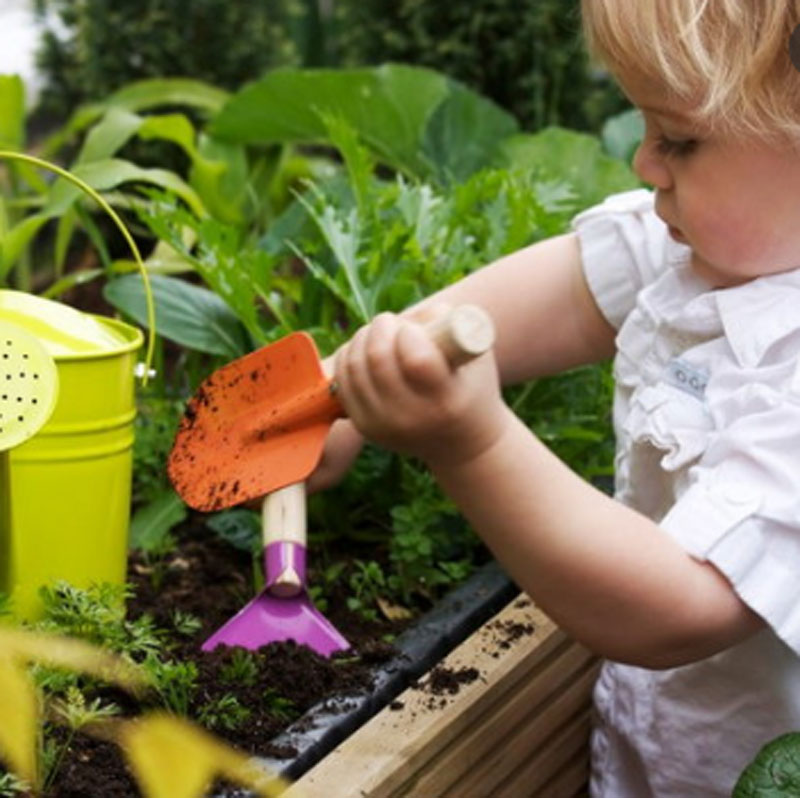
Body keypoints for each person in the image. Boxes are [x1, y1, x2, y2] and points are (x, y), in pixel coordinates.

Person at [308, 2, 800, 795]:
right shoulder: (705, 251)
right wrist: (337, 388)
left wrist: (470, 443)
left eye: (678, 139)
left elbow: (678, 606)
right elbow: (565, 298)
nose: (644, 163)